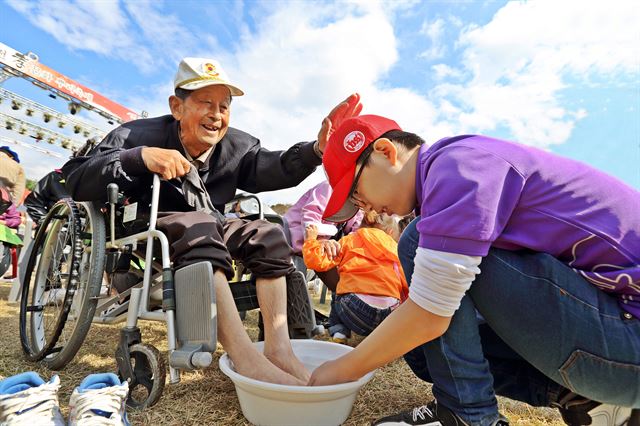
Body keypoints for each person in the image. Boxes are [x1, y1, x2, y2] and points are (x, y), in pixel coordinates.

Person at [308, 114, 640, 425]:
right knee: (423, 351)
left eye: (356, 192)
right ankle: (590, 402)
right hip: (615, 338)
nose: (364, 208)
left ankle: (469, 417)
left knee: (417, 244)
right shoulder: (460, 164)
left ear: (384, 151)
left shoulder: (460, 166)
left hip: (629, 344)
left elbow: (430, 314)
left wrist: (340, 371)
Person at [62, 57, 362, 386]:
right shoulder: (137, 134)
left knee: (269, 235)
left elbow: (275, 167)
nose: (216, 115)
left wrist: (318, 149)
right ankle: (244, 357)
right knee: (202, 229)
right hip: (149, 222)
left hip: (212, 222)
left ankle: (279, 350)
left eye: (224, 105)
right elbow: (77, 176)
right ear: (177, 107)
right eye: (205, 102)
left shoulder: (236, 146)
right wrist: (141, 157)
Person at [303, 210, 408, 344]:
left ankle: (339, 334)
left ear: (361, 224)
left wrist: (311, 239)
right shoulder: (394, 247)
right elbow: (405, 282)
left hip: (354, 311)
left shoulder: (349, 240)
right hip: (388, 315)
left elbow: (315, 261)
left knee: (339, 289)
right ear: (390, 233)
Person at [284, 180, 363, 291]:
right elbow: (311, 215)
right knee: (327, 255)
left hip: (318, 245)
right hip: (295, 237)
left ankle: (347, 294)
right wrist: (319, 240)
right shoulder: (330, 187)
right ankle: (344, 294)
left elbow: (356, 230)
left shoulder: (358, 205)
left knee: (346, 261)